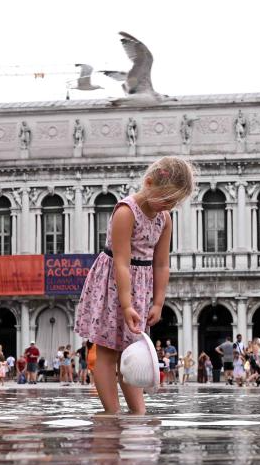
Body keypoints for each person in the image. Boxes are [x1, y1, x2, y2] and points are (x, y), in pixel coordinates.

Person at [74, 156, 194, 414]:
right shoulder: (126, 212)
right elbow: (121, 263)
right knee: (107, 350)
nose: (169, 206)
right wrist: (126, 304)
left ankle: (138, 411)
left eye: (174, 203)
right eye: (166, 199)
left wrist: (158, 302)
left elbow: (161, 264)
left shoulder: (164, 218)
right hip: (113, 283)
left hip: (141, 284)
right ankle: (112, 411)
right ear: (148, 183)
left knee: (133, 350)